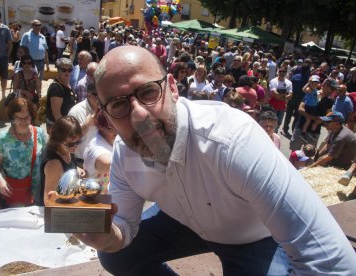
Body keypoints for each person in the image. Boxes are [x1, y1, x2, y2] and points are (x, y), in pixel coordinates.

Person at [74, 46, 356, 275]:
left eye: (148, 92)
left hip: (254, 238)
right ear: (107, 116)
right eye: (119, 105)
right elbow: (123, 223)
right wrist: (107, 236)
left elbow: (331, 263)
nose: (138, 115)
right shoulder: (125, 153)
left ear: (172, 88)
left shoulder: (233, 140)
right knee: (115, 256)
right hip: (182, 221)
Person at [0, 98, 46, 207]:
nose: (23, 121)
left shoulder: (39, 134)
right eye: (19, 118)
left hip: (36, 193)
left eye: (26, 117)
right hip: (12, 192)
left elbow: (46, 159)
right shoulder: (2, 139)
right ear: (12, 118)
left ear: (31, 116)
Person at [41, 115, 84, 204]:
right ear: (57, 140)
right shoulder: (54, 164)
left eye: (78, 142)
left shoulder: (66, 150)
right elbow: (48, 200)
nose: (75, 146)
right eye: (70, 144)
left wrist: (77, 169)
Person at [289, 78, 337, 150]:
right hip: (301, 128)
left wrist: (322, 120)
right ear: (325, 86)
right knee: (294, 153)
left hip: (314, 133)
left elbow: (326, 117)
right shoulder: (312, 92)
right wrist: (313, 118)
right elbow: (300, 109)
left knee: (307, 156)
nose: (333, 91)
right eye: (332, 88)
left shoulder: (330, 102)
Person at [83, 110, 116, 193]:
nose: (117, 131)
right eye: (111, 128)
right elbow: (108, 163)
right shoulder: (96, 147)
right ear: (101, 127)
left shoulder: (112, 139)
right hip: (97, 201)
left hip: (111, 200)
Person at [46, 58, 77, 132]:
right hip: (58, 126)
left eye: (69, 70)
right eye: (63, 70)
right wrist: (66, 129)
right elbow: (56, 114)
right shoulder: (56, 88)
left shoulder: (67, 84)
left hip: (66, 122)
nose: (67, 72)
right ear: (58, 70)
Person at [268, 67, 293, 133]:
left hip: (282, 107)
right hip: (273, 106)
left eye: (283, 71)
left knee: (278, 123)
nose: (282, 73)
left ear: (286, 73)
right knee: (270, 122)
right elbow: (275, 94)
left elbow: (290, 96)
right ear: (278, 72)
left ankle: (274, 133)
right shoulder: (273, 81)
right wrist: (285, 95)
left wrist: (280, 95)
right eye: (280, 71)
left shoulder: (289, 83)